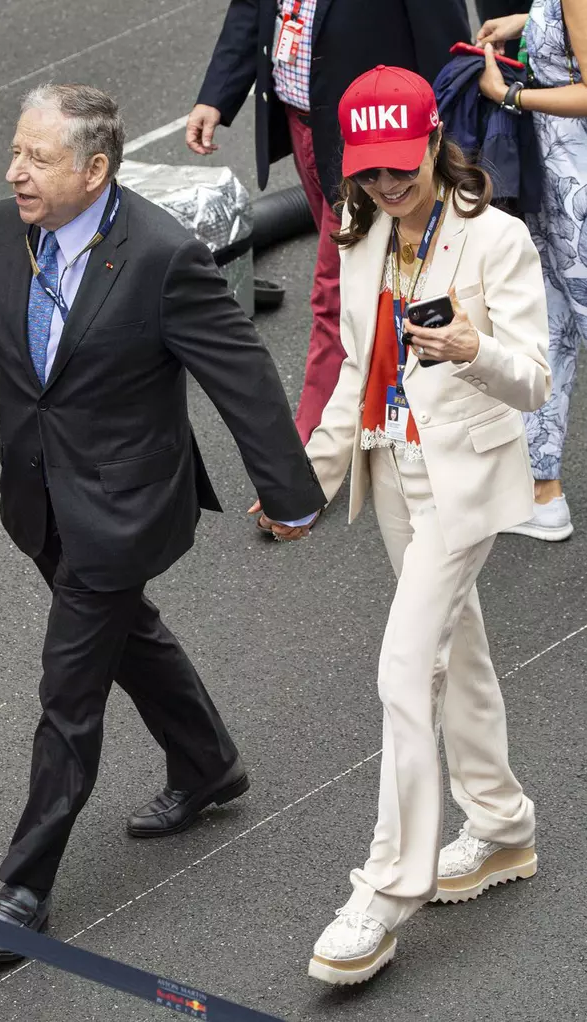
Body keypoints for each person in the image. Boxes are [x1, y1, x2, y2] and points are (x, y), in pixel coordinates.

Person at [0, 84, 324, 962]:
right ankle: (209, 762)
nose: (15, 172)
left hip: (123, 505)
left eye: (38, 158)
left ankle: (24, 888)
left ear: (97, 168)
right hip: (39, 496)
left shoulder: (161, 256)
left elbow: (244, 379)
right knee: (129, 636)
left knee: (68, 691)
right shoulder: (4, 232)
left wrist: (291, 493)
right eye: (15, 152)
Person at [301, 65, 550, 985]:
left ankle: (387, 888)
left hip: (465, 482)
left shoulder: (498, 238)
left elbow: (536, 379)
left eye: (401, 166)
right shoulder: (360, 234)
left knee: (405, 668)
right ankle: (500, 824)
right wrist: (308, 485)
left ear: (436, 138)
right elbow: (351, 372)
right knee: (461, 652)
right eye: (369, 170)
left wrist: (472, 348)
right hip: (393, 471)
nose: (387, 184)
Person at [187, 0, 472, 446]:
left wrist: (443, 161)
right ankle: (396, 399)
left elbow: (445, 50)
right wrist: (216, 95)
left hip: (376, 146)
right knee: (373, 276)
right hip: (304, 126)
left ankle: (313, 451)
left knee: (334, 294)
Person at [477, 1, 587, 540]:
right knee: (547, 328)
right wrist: (531, 22)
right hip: (556, 185)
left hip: (577, 190)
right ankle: (540, 490)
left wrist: (509, 95)